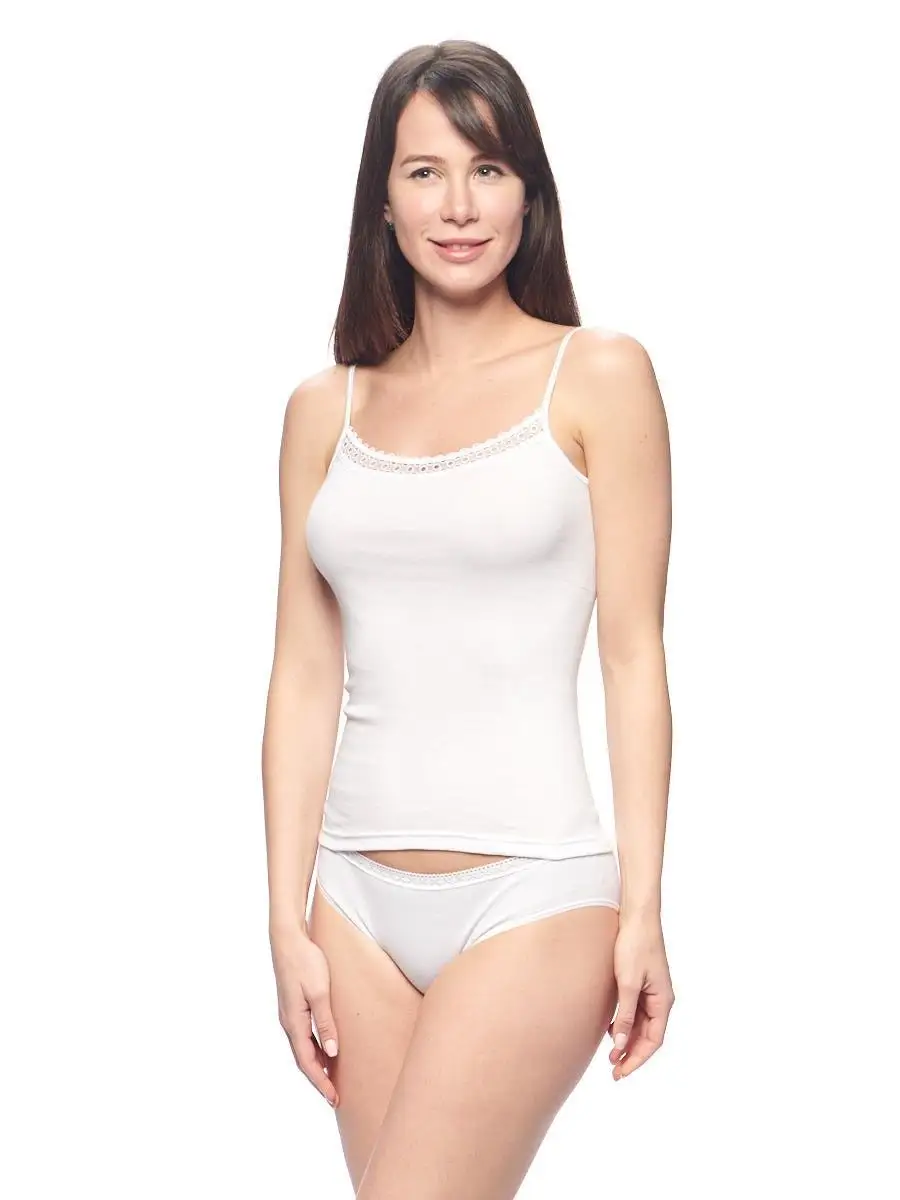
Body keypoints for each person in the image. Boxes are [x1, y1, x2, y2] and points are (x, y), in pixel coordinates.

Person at [262, 38, 674, 1199]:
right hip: (351, 904)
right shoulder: (322, 410)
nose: (458, 205)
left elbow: (634, 657)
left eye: (488, 169)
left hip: (533, 891)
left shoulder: (598, 376)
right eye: (425, 172)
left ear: (528, 195)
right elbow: (302, 676)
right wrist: (285, 920)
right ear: (382, 202)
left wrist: (644, 910)